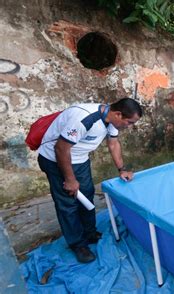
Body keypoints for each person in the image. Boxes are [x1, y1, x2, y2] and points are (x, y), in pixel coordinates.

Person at [37, 98, 142, 263]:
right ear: (118, 114)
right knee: (68, 203)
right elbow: (61, 148)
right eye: (129, 122)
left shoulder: (112, 121)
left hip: (79, 159)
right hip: (55, 159)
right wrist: (70, 179)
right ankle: (78, 245)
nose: (129, 126)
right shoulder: (84, 118)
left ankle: (90, 233)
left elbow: (113, 144)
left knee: (86, 194)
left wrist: (122, 169)